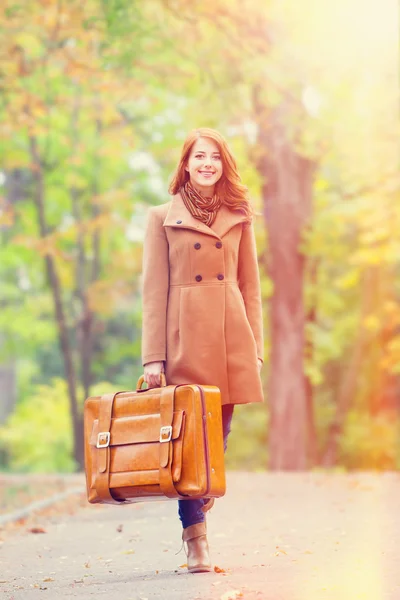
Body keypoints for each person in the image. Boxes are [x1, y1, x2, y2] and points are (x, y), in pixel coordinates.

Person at [141, 127, 264, 573]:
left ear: (223, 165)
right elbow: (154, 291)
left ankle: (201, 493)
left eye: (215, 156)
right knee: (193, 444)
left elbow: (251, 288)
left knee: (218, 441)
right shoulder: (161, 218)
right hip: (183, 341)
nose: (207, 163)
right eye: (199, 156)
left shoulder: (240, 217)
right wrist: (153, 356)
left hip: (232, 336)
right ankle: (196, 543)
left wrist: (256, 348)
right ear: (186, 164)